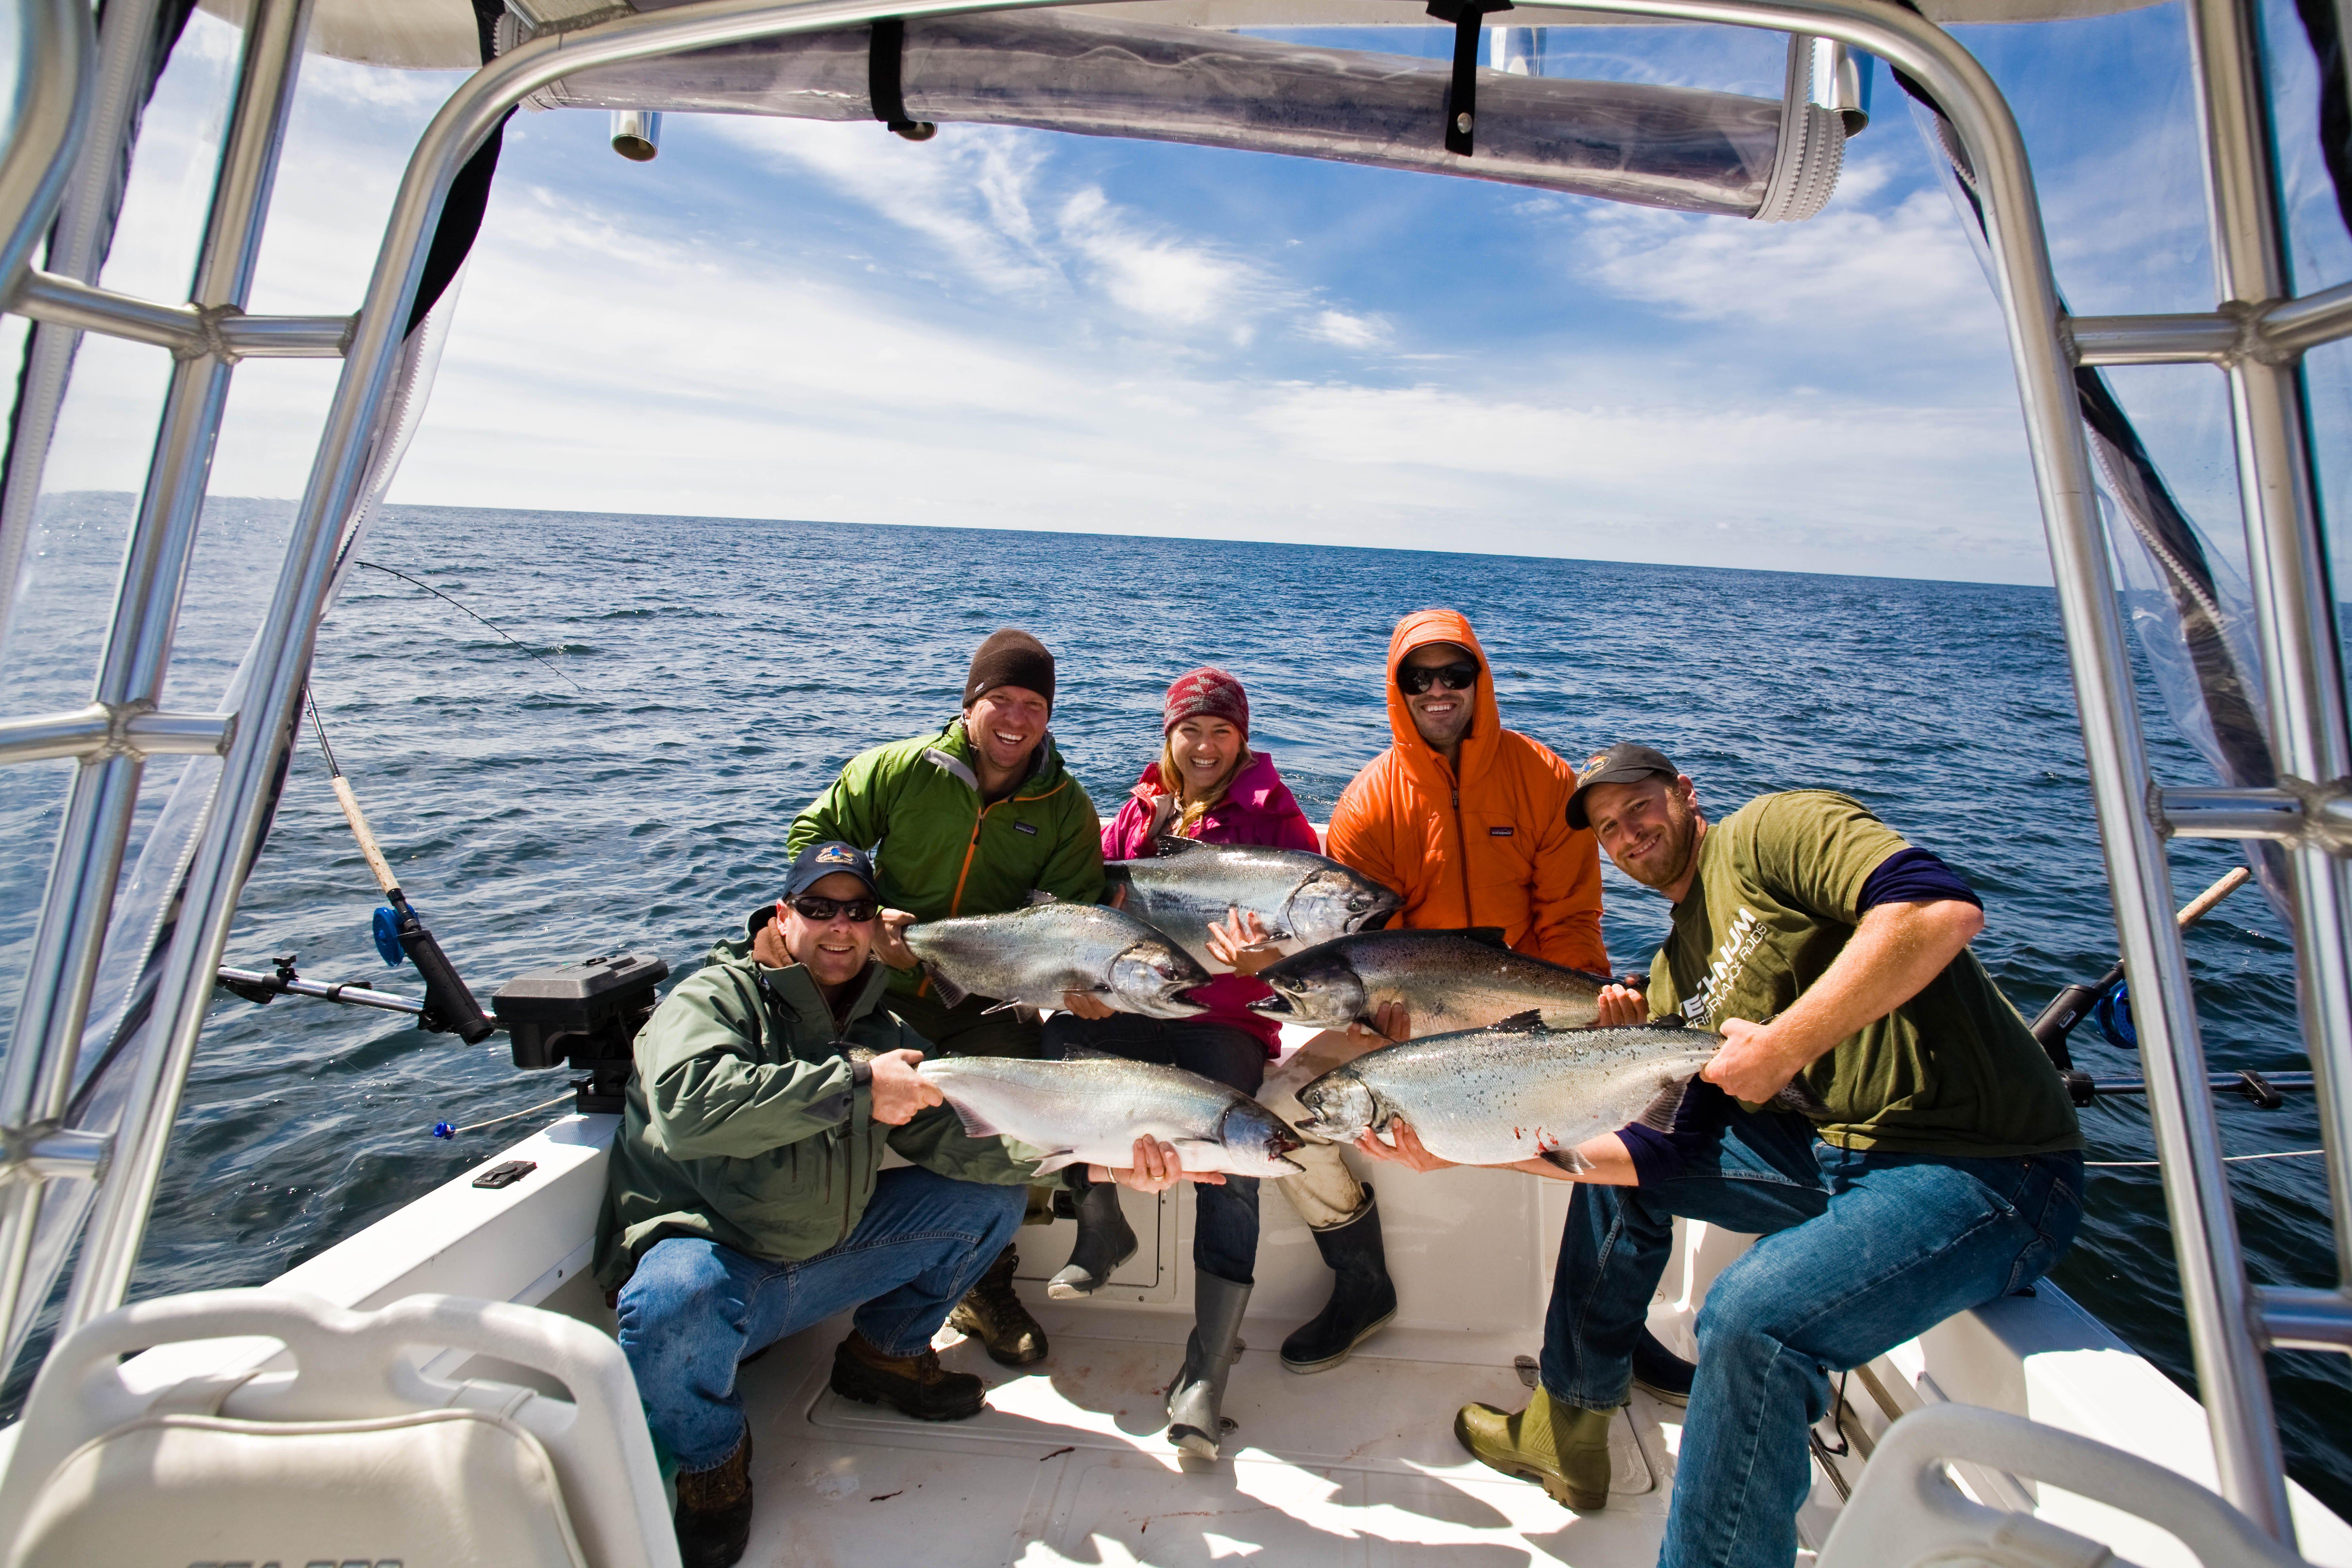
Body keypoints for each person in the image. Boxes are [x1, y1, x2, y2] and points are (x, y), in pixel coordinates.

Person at [1355, 745, 2085, 1568]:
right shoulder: (1673, 975)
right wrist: (1459, 1149)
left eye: (1640, 807)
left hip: (1988, 1167)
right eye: (1608, 829)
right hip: (1832, 1159)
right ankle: (1568, 1427)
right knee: (1617, 1182)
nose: (1629, 834)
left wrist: (1784, 1046)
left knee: (1749, 1318)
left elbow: (1936, 910)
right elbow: (1652, 1151)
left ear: (1685, 792)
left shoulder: (1773, 832)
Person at [596, 841, 1200, 1568]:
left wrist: (1097, 1167)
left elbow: (964, 1140)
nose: (840, 926)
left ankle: (883, 1358)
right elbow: (690, 1110)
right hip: (716, 1266)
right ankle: (712, 1467)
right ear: (783, 916)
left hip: (817, 1263)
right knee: (673, 1299)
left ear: (875, 925)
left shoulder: (882, 1031)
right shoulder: (714, 1000)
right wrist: (856, 1089)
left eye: (857, 911)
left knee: (987, 1197)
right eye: (818, 908)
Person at [1258, 608, 1609, 1375]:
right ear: (1399, 689)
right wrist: (1381, 1031)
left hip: (1533, 1017)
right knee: (1282, 1110)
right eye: (1420, 678)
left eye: (1455, 674)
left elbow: (1571, 918)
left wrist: (1581, 1015)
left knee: (1622, 1124)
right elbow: (1366, 944)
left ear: (1481, 680)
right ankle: (1361, 1281)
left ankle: (1615, 1324)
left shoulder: (1545, 779)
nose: (1438, 690)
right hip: (1407, 1023)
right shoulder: (1369, 802)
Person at [786, 628, 1105, 1369]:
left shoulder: (1064, 806)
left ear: (1049, 718)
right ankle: (793, 1269)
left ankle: (985, 1282)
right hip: (878, 992)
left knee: (1028, 1131)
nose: (1016, 719)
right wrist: (865, 915)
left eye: (1034, 706)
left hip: (990, 1007)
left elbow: (1075, 914)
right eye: (1001, 700)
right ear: (969, 705)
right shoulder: (900, 771)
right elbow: (814, 837)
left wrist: (1076, 982)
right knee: (824, 1106)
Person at [1042, 666, 1320, 1460]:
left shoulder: (1275, 818)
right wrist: (1080, 981)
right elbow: (1093, 913)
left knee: (1235, 1148)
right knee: (1054, 1059)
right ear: (1169, 736)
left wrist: (1265, 958)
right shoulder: (1139, 811)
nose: (1204, 746)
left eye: (1220, 732)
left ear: (1241, 739)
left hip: (1225, 1019)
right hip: (1135, 1005)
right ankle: (1100, 1228)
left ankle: (1207, 1371)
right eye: (1189, 730)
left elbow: (1314, 949)